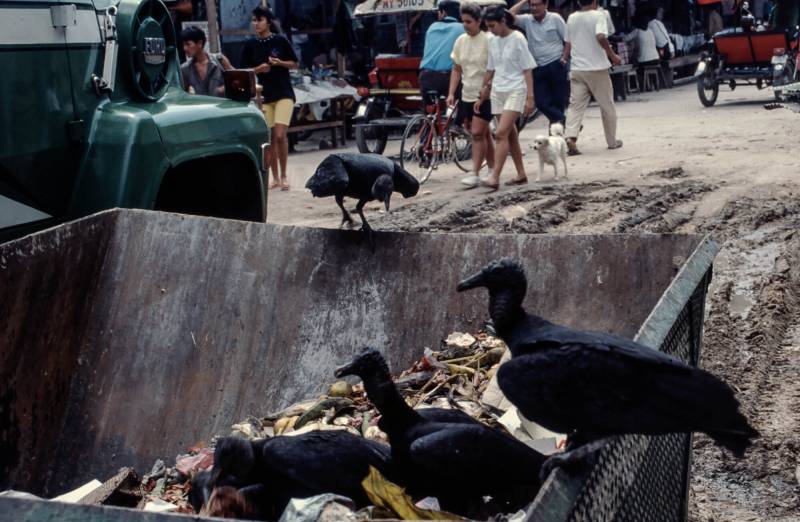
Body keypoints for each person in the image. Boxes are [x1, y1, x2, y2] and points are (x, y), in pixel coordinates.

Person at [476, 6, 536, 190]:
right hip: (498, 90)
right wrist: (483, 91)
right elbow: (491, 69)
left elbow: (527, 69)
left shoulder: (518, 38)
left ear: (503, 21)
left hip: (516, 89)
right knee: (510, 134)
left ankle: (495, 176)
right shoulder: (493, 41)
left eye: (493, 25)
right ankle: (521, 174)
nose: (491, 29)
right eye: (488, 26)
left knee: (500, 133)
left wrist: (530, 97)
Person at [241, 6, 299, 191]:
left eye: (259, 20)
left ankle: (284, 175)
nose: (256, 23)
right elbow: (243, 70)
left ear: (268, 21)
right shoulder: (250, 44)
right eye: (254, 20)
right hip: (264, 95)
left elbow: (295, 64)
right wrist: (258, 69)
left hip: (284, 94)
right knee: (271, 137)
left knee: (281, 135)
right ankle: (275, 178)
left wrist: (279, 63)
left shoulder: (280, 40)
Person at [561, 0, 622, 155]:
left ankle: (571, 137)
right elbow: (601, 36)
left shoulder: (572, 17)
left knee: (575, 106)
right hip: (597, 68)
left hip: (577, 68)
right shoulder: (599, 15)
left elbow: (568, 42)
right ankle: (612, 141)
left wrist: (564, 57)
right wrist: (612, 55)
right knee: (607, 105)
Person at [448, 2, 496, 188]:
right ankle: (492, 169)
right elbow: (457, 69)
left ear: (478, 21)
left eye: (469, 21)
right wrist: (451, 92)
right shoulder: (460, 41)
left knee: (476, 133)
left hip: (486, 94)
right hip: (467, 94)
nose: (465, 25)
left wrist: (488, 88)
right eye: (463, 21)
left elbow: (495, 67)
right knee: (484, 134)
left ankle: (475, 173)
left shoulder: (489, 40)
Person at [510, 0, 569, 125]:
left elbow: (568, 39)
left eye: (537, 5)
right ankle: (567, 123)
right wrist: (523, 1)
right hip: (537, 67)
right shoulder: (527, 20)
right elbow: (508, 16)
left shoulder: (555, 18)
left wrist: (564, 58)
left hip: (556, 64)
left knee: (558, 103)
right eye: (532, 5)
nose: (534, 8)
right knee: (541, 103)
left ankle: (556, 139)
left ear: (546, 5)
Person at [419, 1, 465, 99]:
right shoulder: (462, 28)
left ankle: (429, 112)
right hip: (450, 78)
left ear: (443, 12)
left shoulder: (431, 28)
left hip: (427, 77)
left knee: (429, 109)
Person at [180, 26, 232, 97]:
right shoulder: (185, 69)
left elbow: (237, 80)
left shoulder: (219, 61)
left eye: (188, 44)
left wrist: (222, 89)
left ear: (200, 43)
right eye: (183, 45)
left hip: (222, 105)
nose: (185, 48)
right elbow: (182, 93)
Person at [624, 16, 660, 89]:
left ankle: (642, 85)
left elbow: (625, 38)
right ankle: (651, 84)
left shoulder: (637, 31)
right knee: (641, 58)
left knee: (635, 64)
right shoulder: (650, 31)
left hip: (645, 61)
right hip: (656, 59)